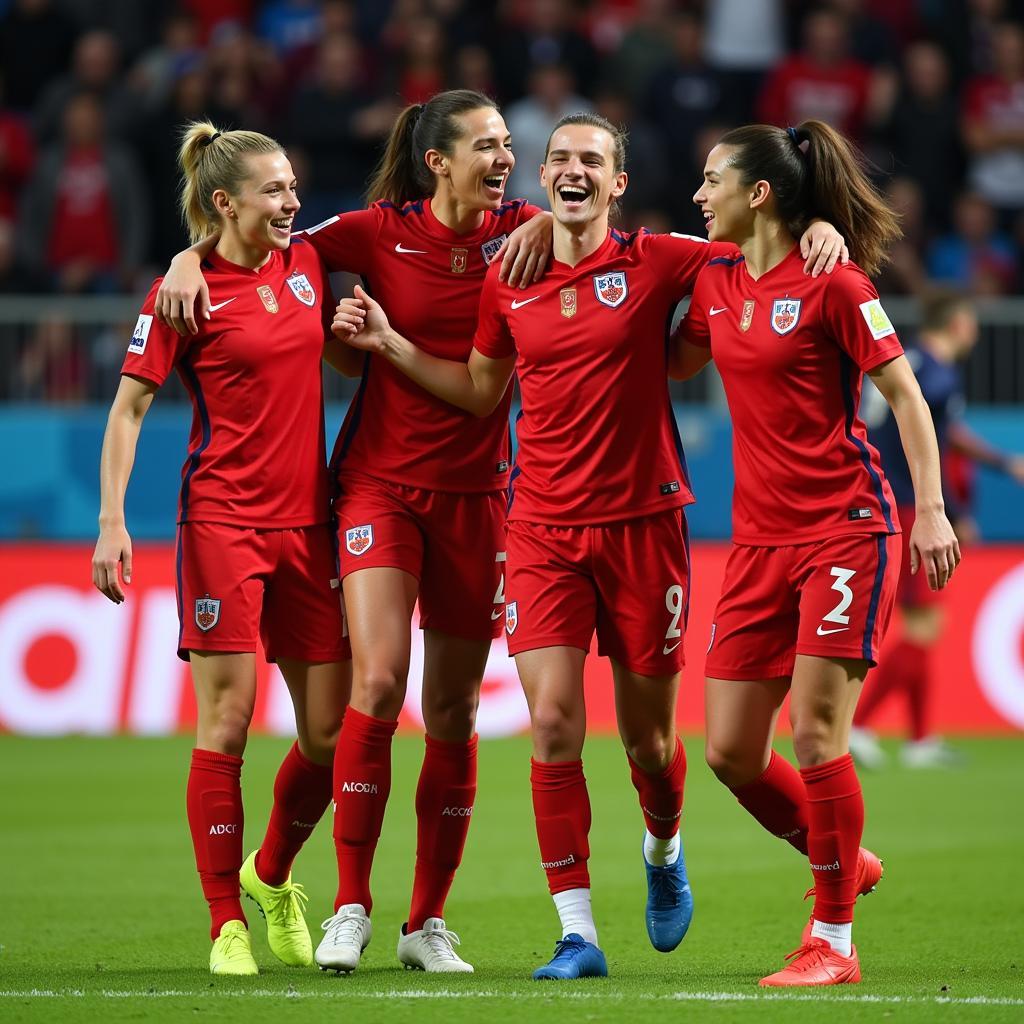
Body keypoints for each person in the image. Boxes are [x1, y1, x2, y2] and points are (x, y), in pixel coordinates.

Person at [330, 112, 848, 981]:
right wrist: (389, 344)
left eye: (593, 161)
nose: (574, 170)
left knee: (650, 743)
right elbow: (481, 389)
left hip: (646, 528)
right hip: (538, 529)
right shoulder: (510, 276)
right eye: (560, 159)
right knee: (555, 723)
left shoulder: (663, 259)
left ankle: (662, 847)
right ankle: (577, 933)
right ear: (543, 177)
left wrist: (816, 225)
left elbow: (760, 242)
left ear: (618, 184)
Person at [154, 89, 556, 975]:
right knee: (376, 683)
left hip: (480, 493)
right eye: (487, 144)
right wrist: (185, 257)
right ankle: (350, 908)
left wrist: (806, 236)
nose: (506, 156)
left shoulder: (527, 227)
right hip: (375, 487)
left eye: (505, 144)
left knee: (451, 712)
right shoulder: (370, 232)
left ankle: (425, 923)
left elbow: (614, 247)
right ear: (436, 160)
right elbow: (257, 241)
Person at [672, 119, 960, 986]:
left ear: (758, 193)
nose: (699, 194)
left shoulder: (834, 282)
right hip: (757, 541)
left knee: (817, 734)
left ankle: (832, 941)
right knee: (728, 751)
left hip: (842, 527)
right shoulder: (716, 276)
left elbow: (906, 399)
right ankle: (845, 859)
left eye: (713, 180)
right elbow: (680, 359)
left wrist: (932, 511)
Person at [92, 121, 355, 977]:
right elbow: (128, 410)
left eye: (292, 187)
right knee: (229, 721)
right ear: (224, 202)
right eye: (274, 190)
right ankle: (222, 923)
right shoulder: (183, 293)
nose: (291, 202)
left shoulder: (309, 263)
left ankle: (271, 876)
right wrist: (111, 523)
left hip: (308, 525)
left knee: (327, 735)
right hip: (222, 525)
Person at [853, 290, 1024, 768]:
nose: (974, 329)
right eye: (970, 320)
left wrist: (1002, 463)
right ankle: (860, 725)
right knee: (924, 625)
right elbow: (929, 442)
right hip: (910, 507)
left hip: (894, 499)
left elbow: (945, 436)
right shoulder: (939, 374)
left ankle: (920, 738)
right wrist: (949, 513)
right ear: (956, 322)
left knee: (924, 623)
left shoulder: (911, 363)